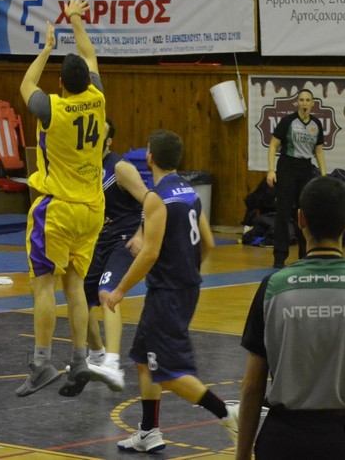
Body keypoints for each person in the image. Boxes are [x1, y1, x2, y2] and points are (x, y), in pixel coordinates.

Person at [236, 176, 345, 460]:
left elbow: (252, 388)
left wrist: (241, 455)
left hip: (283, 439)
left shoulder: (272, 288)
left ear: (300, 218)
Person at [105, 130, 237, 452]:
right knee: (142, 358)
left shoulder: (157, 197)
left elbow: (149, 254)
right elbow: (208, 242)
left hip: (168, 293)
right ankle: (149, 431)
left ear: (149, 158)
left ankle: (226, 412)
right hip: (185, 287)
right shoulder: (189, 191)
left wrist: (120, 289)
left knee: (167, 372)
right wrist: (187, 268)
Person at [16, 0, 106, 397]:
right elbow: (90, 55)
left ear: (61, 85)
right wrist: (75, 20)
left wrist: (47, 48)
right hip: (92, 209)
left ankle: (40, 363)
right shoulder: (97, 98)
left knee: (43, 285)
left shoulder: (52, 108)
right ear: (87, 81)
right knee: (75, 285)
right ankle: (81, 359)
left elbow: (25, 85)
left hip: (58, 209)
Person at [82, 118, 148, 391]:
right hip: (99, 240)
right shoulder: (85, 167)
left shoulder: (120, 168)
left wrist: (141, 234)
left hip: (124, 240)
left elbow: (151, 201)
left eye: (99, 135)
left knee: (107, 293)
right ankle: (96, 354)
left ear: (108, 142)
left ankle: (113, 363)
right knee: (78, 297)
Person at [266, 89, 327, 268]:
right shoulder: (288, 121)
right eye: (301, 100)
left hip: (305, 168)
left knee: (304, 214)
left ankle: (304, 255)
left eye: (308, 100)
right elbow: (273, 145)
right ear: (297, 103)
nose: (304, 103)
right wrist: (271, 170)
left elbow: (319, 151)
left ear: (313, 104)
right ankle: (279, 257)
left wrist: (323, 175)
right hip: (287, 166)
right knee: (283, 213)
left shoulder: (316, 124)